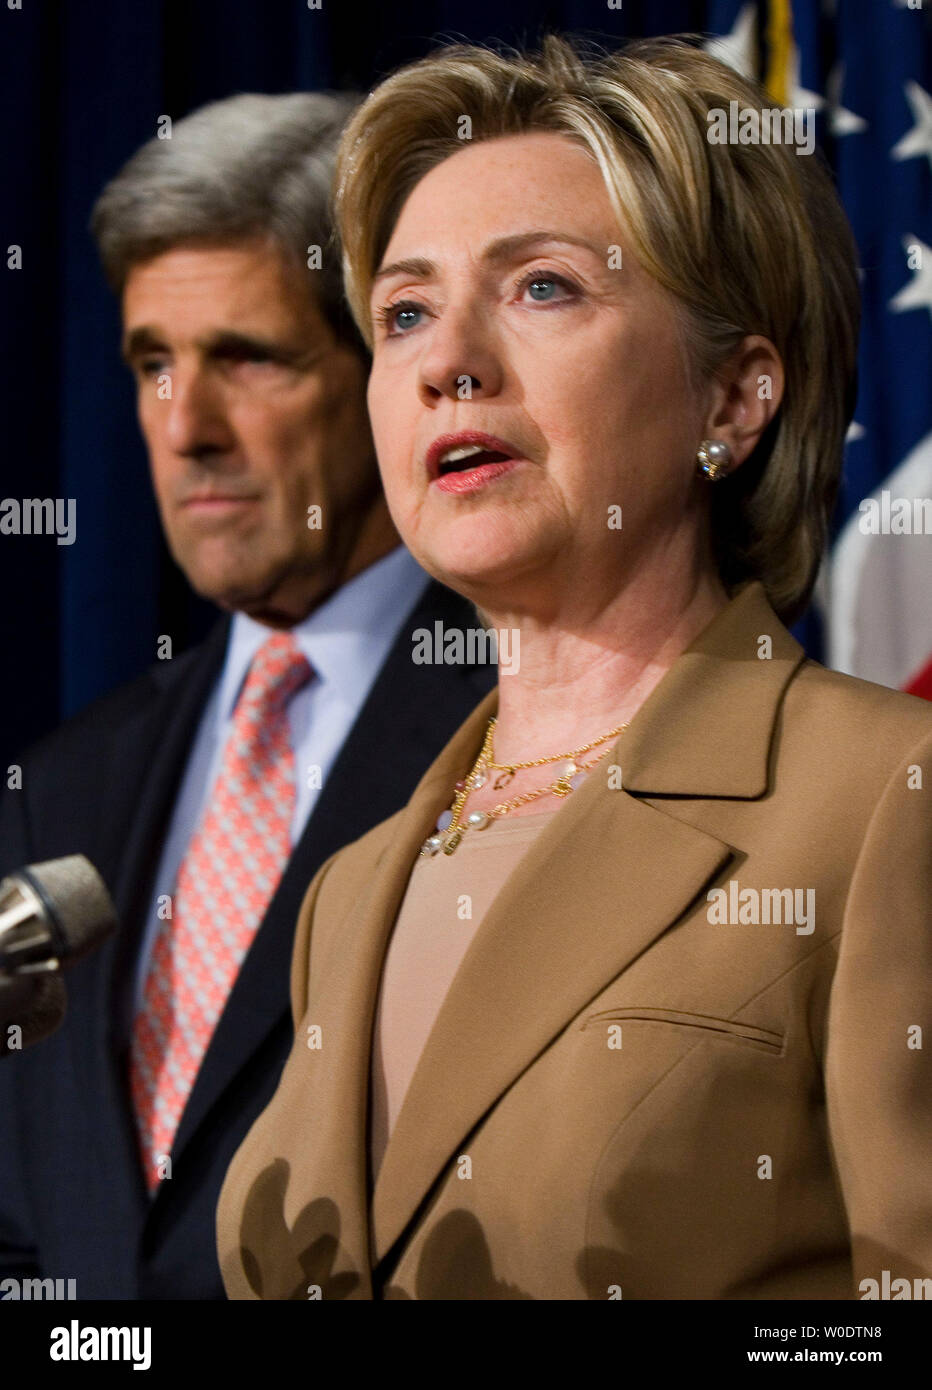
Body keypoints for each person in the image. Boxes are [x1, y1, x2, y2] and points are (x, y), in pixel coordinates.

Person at [217, 36, 932, 1301]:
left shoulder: (884, 800)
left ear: (732, 399)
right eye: (403, 312)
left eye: (540, 288)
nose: (449, 362)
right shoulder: (351, 888)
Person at [0, 92, 495, 1300]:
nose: (185, 428)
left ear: (392, 376)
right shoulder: (60, 786)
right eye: (151, 364)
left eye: (247, 358)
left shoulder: (539, 733)